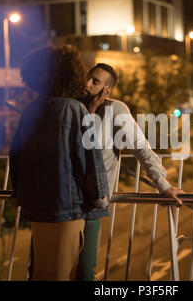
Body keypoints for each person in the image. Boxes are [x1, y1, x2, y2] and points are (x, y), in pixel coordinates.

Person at [76, 63, 183, 281]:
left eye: (95, 81)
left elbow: (141, 148)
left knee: (84, 273)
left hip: (90, 202)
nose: (87, 84)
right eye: (88, 78)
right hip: (63, 200)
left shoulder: (116, 109)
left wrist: (163, 185)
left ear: (107, 90)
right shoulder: (71, 107)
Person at [9, 46, 109, 281]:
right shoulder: (75, 109)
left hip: (37, 207)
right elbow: (89, 158)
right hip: (68, 208)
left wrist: (19, 194)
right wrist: (97, 196)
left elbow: (17, 157)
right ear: (71, 75)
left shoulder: (31, 110)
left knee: (42, 271)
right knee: (65, 270)